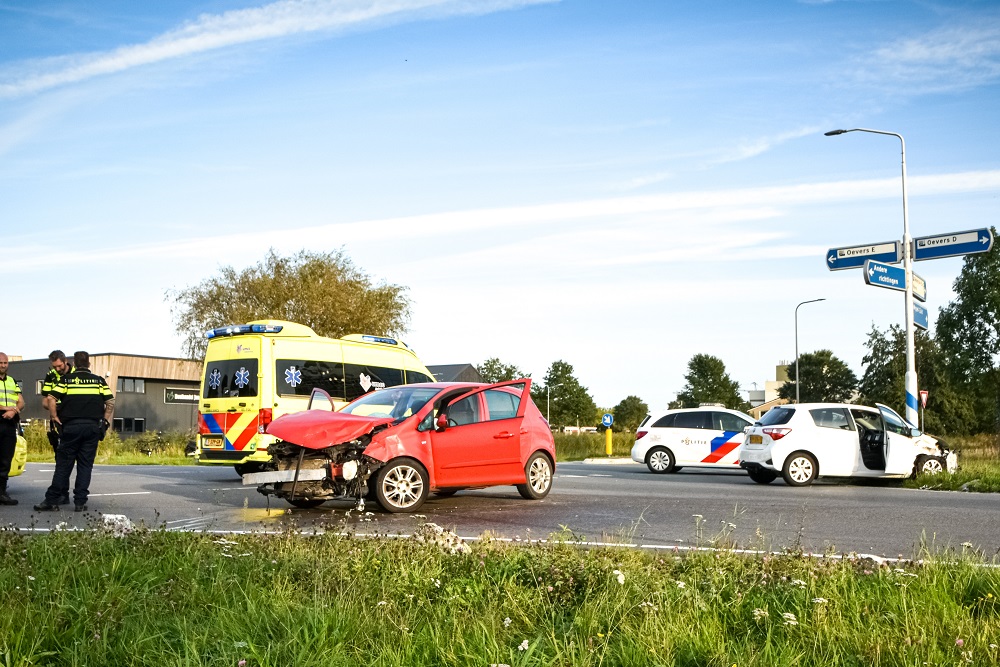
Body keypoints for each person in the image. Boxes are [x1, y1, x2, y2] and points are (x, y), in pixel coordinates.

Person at [34, 351, 114, 513]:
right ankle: (80, 502)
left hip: (71, 427)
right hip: (92, 428)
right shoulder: (98, 381)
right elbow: (110, 402)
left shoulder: (66, 380)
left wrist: (55, 416)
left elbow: (50, 398)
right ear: (89, 364)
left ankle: (51, 500)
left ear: (74, 364)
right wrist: (104, 421)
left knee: (64, 465)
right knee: (85, 466)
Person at [0, 352, 25, 506]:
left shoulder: (12, 381)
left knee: (5, 459)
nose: (3, 366)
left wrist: (13, 410)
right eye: (0, 363)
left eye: (5, 363)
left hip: (9, 423)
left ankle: (2, 492)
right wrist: (8, 408)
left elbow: (21, 401)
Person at [41, 350, 73, 454]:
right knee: (60, 454)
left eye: (59, 366)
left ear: (65, 361)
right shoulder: (50, 375)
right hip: (57, 418)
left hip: (74, 418)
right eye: (54, 367)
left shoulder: (76, 373)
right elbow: (45, 401)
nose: (57, 369)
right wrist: (55, 408)